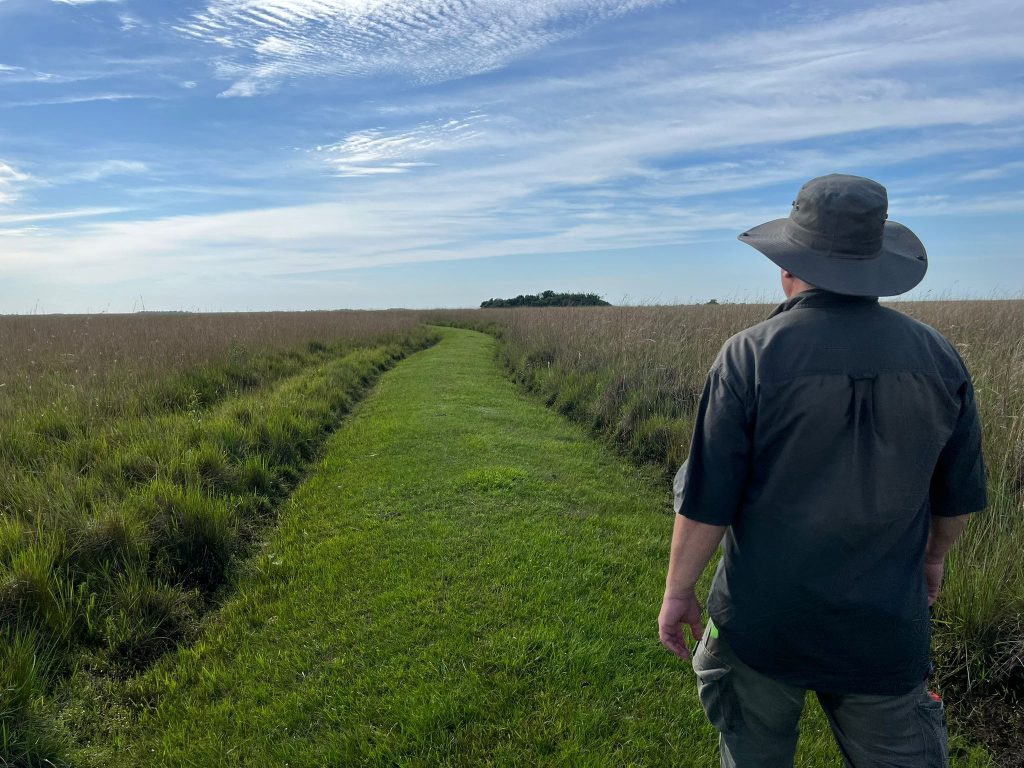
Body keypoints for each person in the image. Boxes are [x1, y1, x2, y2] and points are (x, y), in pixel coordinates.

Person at [657, 174, 987, 768]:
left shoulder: (748, 355)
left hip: (760, 624)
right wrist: (933, 560)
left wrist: (679, 591)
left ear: (789, 268)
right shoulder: (939, 356)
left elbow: (707, 499)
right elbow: (955, 498)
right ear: (876, 266)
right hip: (885, 631)